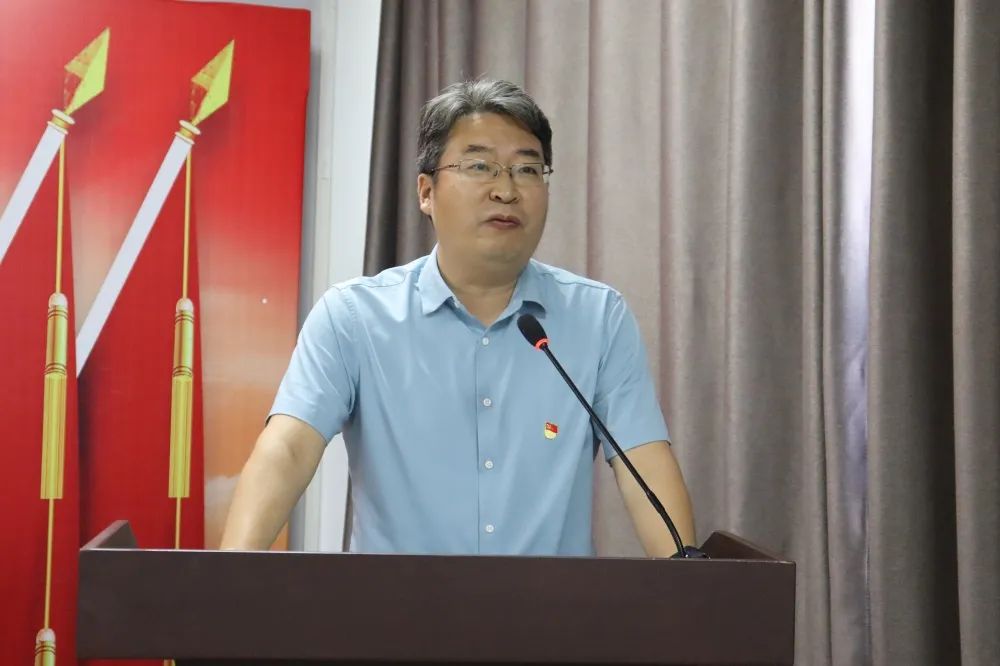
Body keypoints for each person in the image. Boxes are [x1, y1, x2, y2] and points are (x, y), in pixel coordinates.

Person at [220, 79, 695, 557]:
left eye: (527, 169)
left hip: (550, 605)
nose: (506, 190)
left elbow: (643, 460)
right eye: (479, 166)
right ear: (426, 192)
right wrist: (229, 576)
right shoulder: (354, 317)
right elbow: (289, 449)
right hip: (398, 603)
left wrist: (689, 580)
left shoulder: (597, 318)